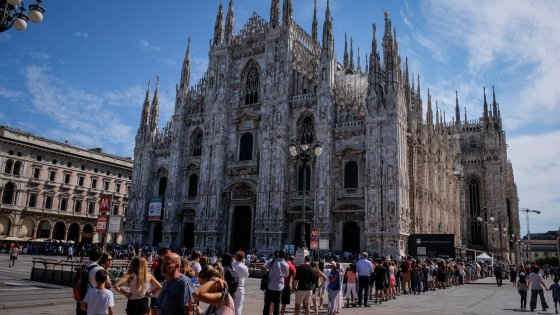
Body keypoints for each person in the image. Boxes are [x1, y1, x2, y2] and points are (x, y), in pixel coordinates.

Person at [263, 250, 289, 315]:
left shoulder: (272, 261)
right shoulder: (285, 264)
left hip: (270, 286)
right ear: (284, 256)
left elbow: (264, 267)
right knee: (277, 305)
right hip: (279, 287)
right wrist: (281, 275)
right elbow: (286, 275)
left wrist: (268, 272)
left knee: (267, 304)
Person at [232, 251, 249, 315]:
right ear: (243, 258)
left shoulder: (232, 265)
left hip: (231, 288)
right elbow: (247, 275)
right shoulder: (244, 267)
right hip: (240, 288)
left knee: (231, 306)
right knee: (238, 307)